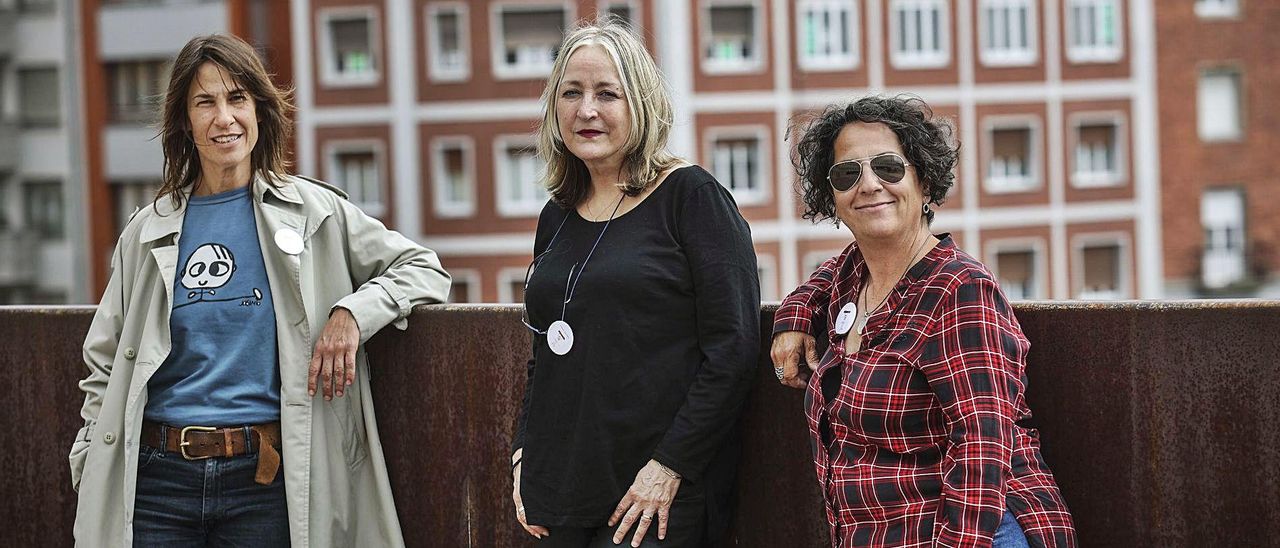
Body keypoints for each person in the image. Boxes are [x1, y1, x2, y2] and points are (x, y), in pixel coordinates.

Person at [68, 34, 451, 547]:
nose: (224, 117)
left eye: (238, 98)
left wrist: (353, 313)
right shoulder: (146, 231)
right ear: (185, 120)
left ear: (259, 110)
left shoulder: (315, 213)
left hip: (264, 482)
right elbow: (104, 360)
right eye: (206, 102)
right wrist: (91, 456)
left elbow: (423, 268)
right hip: (156, 484)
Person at [770, 96, 1076, 548]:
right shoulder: (855, 274)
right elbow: (823, 278)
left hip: (972, 534)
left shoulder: (960, 290)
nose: (869, 184)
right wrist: (793, 318)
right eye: (847, 173)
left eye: (889, 167)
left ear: (925, 181)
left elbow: (982, 448)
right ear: (832, 196)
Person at [509, 19, 760, 548]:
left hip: (656, 493)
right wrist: (523, 452)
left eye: (607, 93)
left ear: (640, 103)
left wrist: (670, 465)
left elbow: (733, 349)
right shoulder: (557, 215)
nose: (587, 110)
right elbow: (545, 349)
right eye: (571, 92)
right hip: (562, 487)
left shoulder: (691, 197)